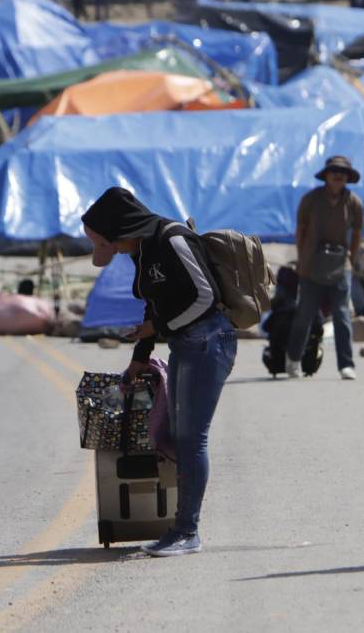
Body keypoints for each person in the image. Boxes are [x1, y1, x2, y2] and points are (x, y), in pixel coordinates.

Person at [81, 187, 236, 557]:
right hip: (185, 343)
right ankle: (181, 527)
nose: (113, 250)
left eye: (110, 242)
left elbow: (205, 297)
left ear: (123, 229)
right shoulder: (141, 250)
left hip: (209, 341)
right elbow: (155, 304)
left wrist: (158, 329)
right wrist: (141, 354)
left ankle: (187, 532)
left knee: (192, 438)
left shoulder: (173, 240)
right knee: (178, 437)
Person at [286, 156, 364, 381]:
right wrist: (302, 259)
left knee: (342, 316)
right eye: (334, 171)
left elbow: (357, 232)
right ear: (326, 175)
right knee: (305, 314)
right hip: (312, 264)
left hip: (340, 264)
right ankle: (293, 359)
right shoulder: (310, 199)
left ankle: (346, 365)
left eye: (342, 172)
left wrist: (351, 255)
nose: (338, 175)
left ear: (348, 177)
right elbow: (300, 231)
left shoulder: (353, 202)